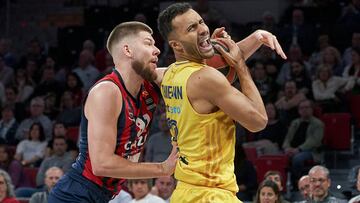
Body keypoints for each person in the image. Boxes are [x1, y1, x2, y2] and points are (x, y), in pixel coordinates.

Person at [157, 2, 286, 202]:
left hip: (185, 191)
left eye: (200, 22)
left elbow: (220, 62)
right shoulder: (206, 78)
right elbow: (258, 121)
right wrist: (241, 66)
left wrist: (256, 38)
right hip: (210, 193)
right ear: (176, 45)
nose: (202, 29)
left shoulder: (170, 73)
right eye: (192, 28)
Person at [48, 21, 179, 203]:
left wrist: (221, 51)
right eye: (148, 43)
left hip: (104, 195)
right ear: (128, 50)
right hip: (76, 194)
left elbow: (192, 75)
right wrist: (163, 168)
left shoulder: (150, 83)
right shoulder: (107, 92)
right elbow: (102, 164)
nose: (157, 50)